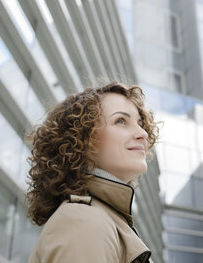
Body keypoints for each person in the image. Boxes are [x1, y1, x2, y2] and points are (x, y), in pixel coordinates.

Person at [27, 81, 159, 263]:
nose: (142, 133)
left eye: (139, 122)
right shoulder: (82, 221)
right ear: (81, 140)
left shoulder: (105, 219)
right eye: (120, 121)